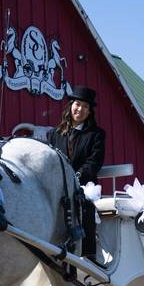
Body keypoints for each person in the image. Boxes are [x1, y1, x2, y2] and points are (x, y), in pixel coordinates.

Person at [47, 86, 105, 260]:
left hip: (84, 184)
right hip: (59, 183)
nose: (80, 109)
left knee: (84, 206)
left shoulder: (96, 135)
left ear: (89, 112)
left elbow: (93, 163)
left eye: (85, 107)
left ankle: (88, 254)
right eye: (77, 104)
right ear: (71, 105)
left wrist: (75, 176)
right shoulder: (54, 134)